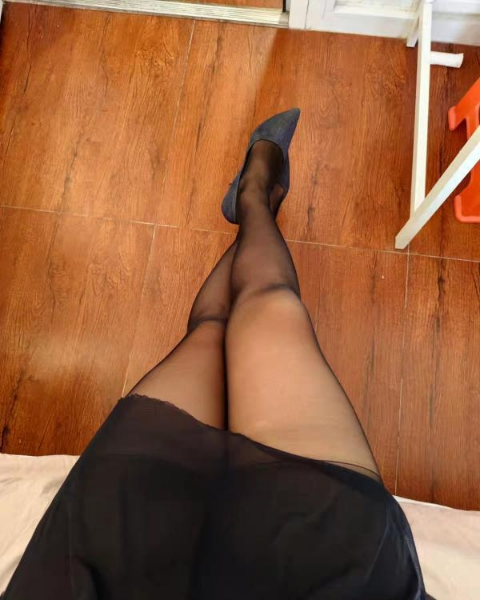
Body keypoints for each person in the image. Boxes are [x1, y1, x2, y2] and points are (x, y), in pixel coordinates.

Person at [3, 109, 430, 599]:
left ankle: (256, 199)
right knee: (266, 304)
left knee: (214, 330)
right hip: (324, 566)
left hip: (114, 563)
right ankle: (255, 199)